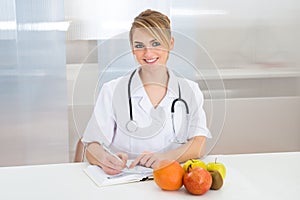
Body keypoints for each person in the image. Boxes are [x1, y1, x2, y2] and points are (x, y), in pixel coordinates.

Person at [81, 9, 211, 175]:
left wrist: (165, 157)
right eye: (139, 46)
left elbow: (199, 143)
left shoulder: (190, 90)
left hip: (173, 183)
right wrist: (105, 158)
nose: (148, 53)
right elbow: (92, 145)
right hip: (126, 182)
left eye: (155, 43)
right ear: (133, 49)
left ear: (170, 43)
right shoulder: (112, 90)